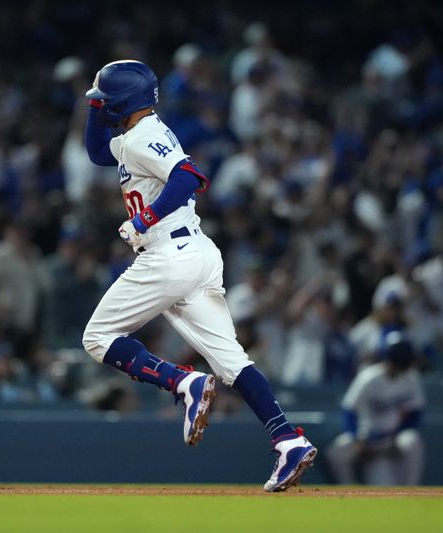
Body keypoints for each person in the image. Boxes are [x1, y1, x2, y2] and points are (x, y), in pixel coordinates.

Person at [81, 60, 316, 492]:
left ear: (124, 103)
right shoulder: (138, 133)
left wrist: (144, 218)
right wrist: (97, 105)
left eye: (106, 102)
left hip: (168, 253)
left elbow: (189, 177)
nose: (101, 107)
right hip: (196, 253)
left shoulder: (145, 135)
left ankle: (181, 381)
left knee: (97, 337)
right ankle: (287, 440)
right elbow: (98, 151)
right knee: (231, 361)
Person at [326, 333, 425, 485]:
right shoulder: (368, 378)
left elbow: (416, 412)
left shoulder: (411, 377)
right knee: (337, 452)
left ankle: (412, 488)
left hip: (393, 438)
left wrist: (396, 435)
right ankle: (348, 490)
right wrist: (357, 439)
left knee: (411, 440)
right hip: (366, 437)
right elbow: (349, 410)